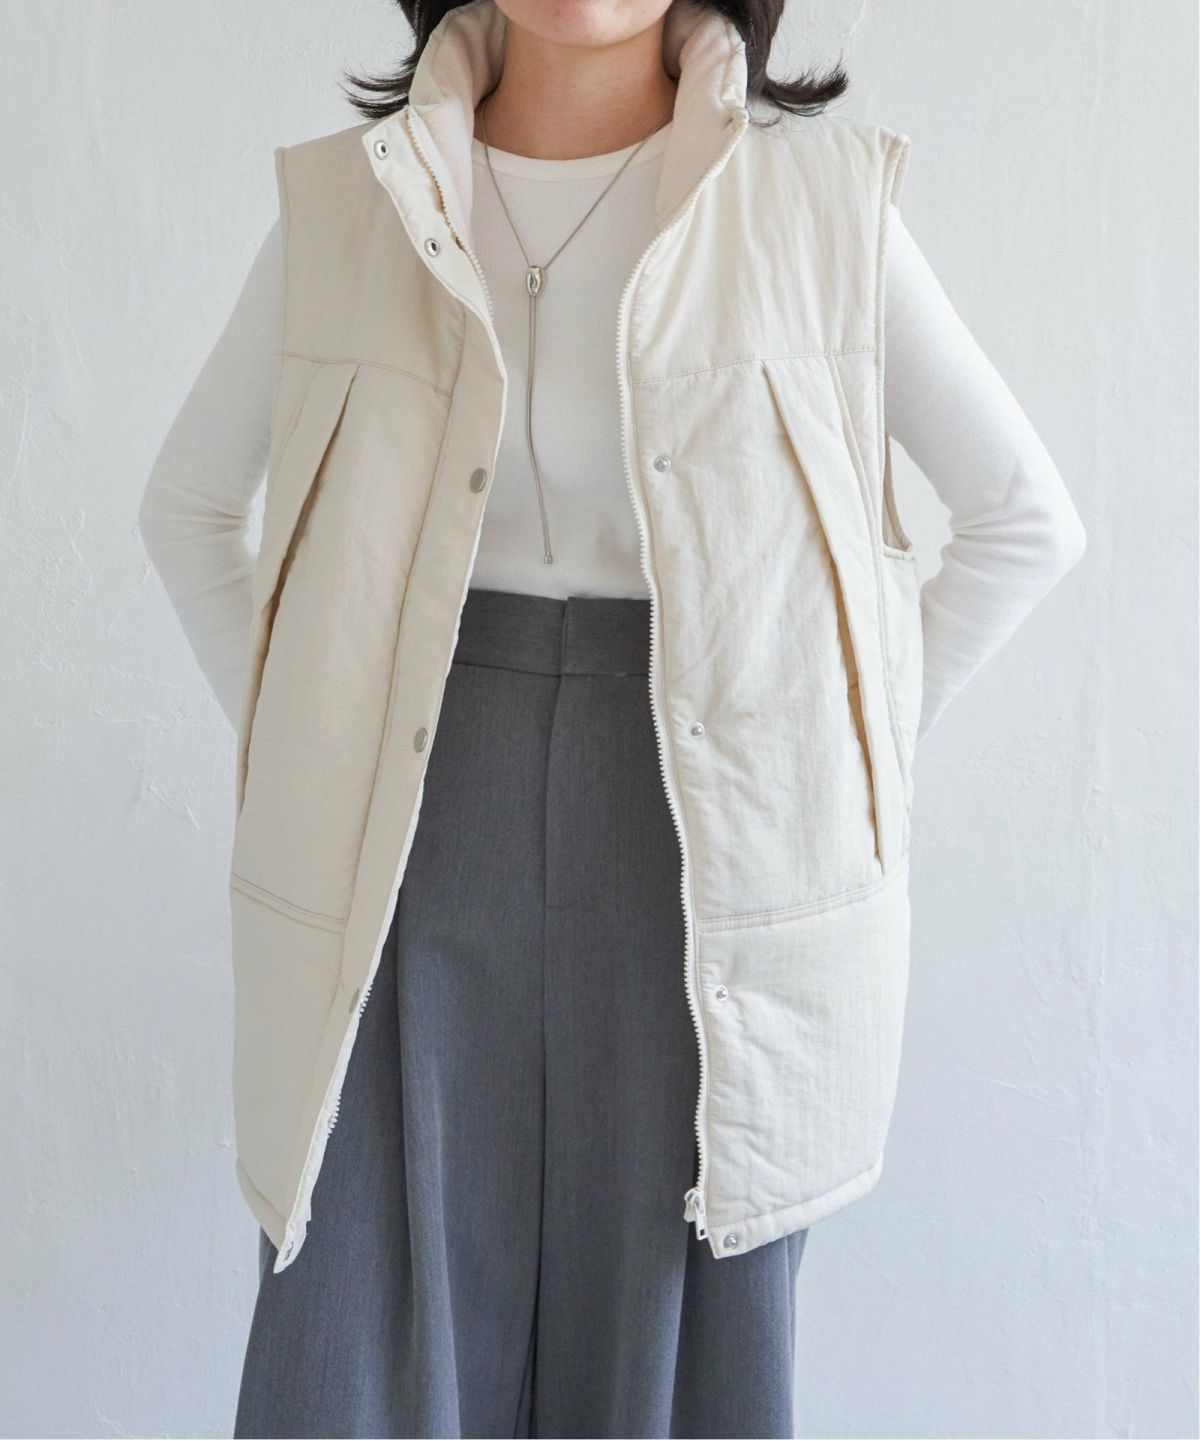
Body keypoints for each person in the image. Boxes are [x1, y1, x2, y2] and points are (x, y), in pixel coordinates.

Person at [138, 0, 1087, 1433]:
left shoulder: (818, 207)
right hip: (408, 841)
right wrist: (315, 761)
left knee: (673, 1320)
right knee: (360, 1315)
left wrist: (831, 766)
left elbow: (1023, 522)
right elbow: (190, 509)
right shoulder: (352, 204)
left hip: (700, 854)